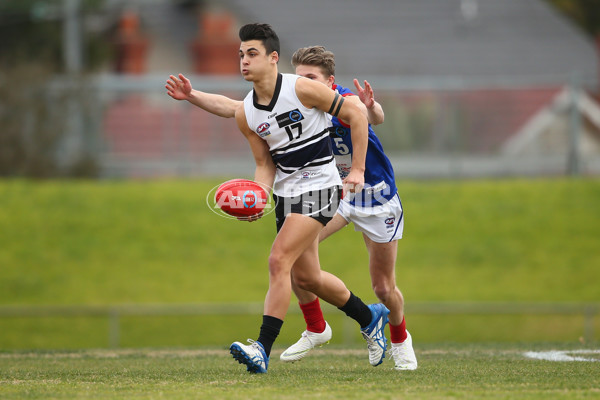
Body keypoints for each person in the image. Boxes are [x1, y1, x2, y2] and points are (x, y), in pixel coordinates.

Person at [166, 45, 417, 371]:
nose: (301, 83)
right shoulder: (296, 99)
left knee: (383, 287)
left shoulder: (338, 98)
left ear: (329, 81)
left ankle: (398, 336)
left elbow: (372, 114)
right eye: (299, 77)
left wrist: (371, 108)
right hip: (335, 194)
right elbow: (234, 108)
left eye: (310, 78)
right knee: (293, 261)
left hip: (375, 196)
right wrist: (192, 95)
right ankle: (316, 327)